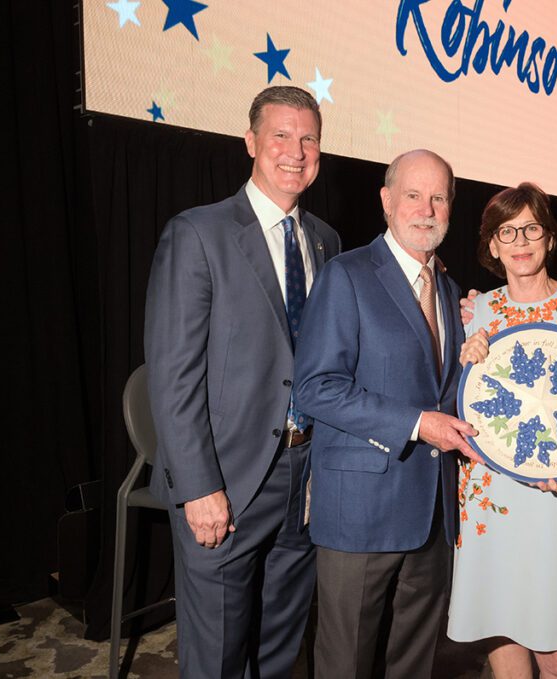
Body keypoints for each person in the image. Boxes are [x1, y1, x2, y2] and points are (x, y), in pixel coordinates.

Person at [144, 85, 341, 678]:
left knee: (279, 649)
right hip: (225, 481)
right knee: (218, 658)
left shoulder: (325, 241)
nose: (295, 151)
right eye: (280, 135)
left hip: (304, 477)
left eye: (308, 139)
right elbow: (173, 376)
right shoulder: (198, 233)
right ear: (251, 141)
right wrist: (198, 486)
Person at [293, 149, 479, 679]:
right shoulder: (346, 275)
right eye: (413, 195)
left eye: (439, 198)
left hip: (433, 510)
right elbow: (315, 388)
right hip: (361, 509)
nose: (426, 209)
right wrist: (418, 424)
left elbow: (441, 389)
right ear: (386, 200)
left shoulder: (448, 289)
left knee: (415, 662)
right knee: (345, 663)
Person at [446, 183, 557, 679]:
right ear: (492, 244)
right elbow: (452, 404)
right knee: (506, 640)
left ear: (550, 237)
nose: (520, 241)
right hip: (493, 495)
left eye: (531, 228)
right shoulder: (472, 313)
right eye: (507, 231)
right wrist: (465, 363)